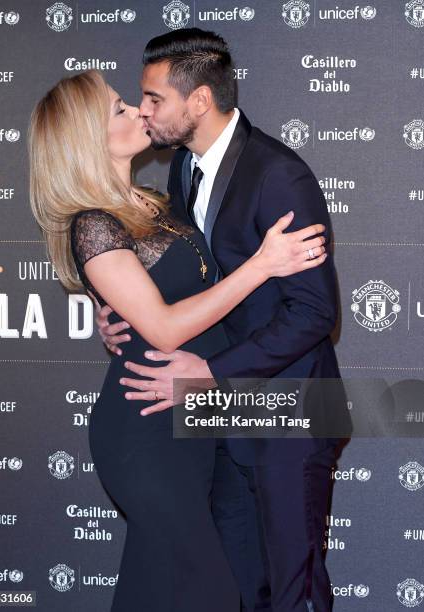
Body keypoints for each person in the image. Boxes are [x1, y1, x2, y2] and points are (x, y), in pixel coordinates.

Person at [27, 69, 327, 612]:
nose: (138, 112)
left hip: (195, 418)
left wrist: (106, 306)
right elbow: (164, 326)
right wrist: (262, 265)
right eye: (119, 109)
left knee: (157, 581)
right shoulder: (93, 224)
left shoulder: (157, 199)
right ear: (86, 139)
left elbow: (167, 287)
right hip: (145, 427)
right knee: (203, 587)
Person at [96, 28, 345, 612]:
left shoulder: (278, 174)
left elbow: (314, 311)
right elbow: (190, 282)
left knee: (293, 592)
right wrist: (122, 315)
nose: (145, 111)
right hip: (220, 419)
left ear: (200, 101)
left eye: (155, 98)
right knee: (240, 587)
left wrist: (211, 370)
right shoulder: (183, 171)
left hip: (290, 411)